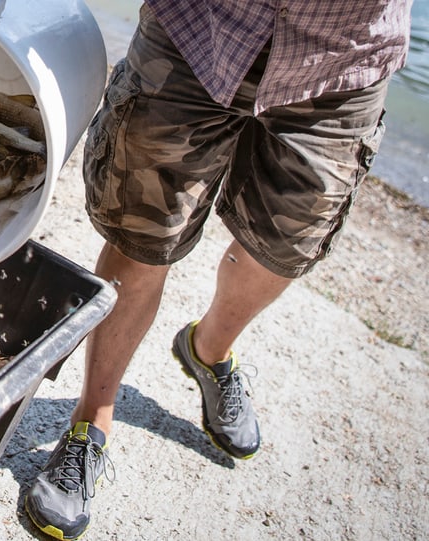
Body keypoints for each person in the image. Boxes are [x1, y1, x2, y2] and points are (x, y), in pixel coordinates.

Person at [24, 1, 412, 539]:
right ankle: (92, 421)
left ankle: (208, 350)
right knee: (141, 233)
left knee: (282, 247)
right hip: (202, 25)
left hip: (343, 58)